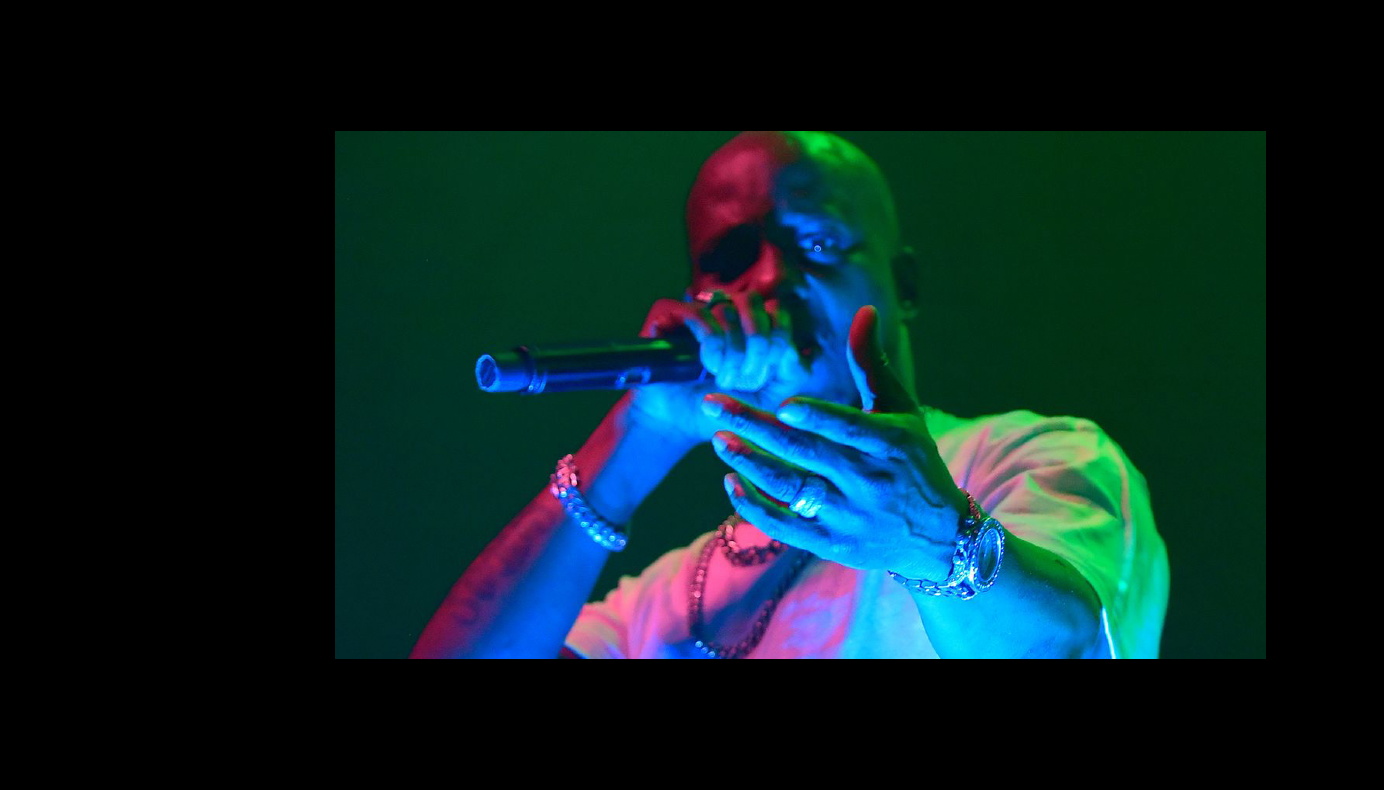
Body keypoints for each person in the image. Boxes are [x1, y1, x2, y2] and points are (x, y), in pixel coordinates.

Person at [411, 131, 1169, 659]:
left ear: (902, 284)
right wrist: (637, 437)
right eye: (731, 256)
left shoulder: (1033, 457)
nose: (771, 278)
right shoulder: (668, 597)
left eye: (819, 242)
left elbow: (1063, 647)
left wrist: (935, 542)